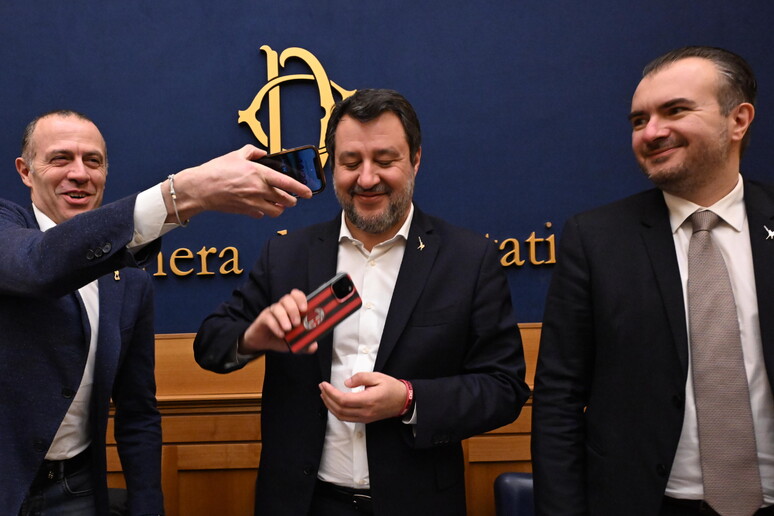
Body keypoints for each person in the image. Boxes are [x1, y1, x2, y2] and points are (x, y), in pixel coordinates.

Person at [194, 88, 530, 515]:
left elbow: (504, 388)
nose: (367, 179)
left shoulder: (468, 259)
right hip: (304, 504)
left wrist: (409, 399)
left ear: (416, 160)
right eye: (351, 163)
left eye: (385, 161)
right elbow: (209, 346)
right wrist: (251, 338)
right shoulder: (287, 255)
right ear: (332, 166)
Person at [0, 109, 313, 516]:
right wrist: (183, 193)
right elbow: (38, 265)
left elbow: (137, 412)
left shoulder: (130, 277)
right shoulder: (8, 228)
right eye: (60, 159)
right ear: (25, 171)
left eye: (93, 161)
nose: (79, 173)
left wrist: (148, 505)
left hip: (77, 492)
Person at [531, 46, 774, 516]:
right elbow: (559, 398)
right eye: (639, 120)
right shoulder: (596, 239)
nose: (651, 132)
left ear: (738, 120)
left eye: (675, 111)